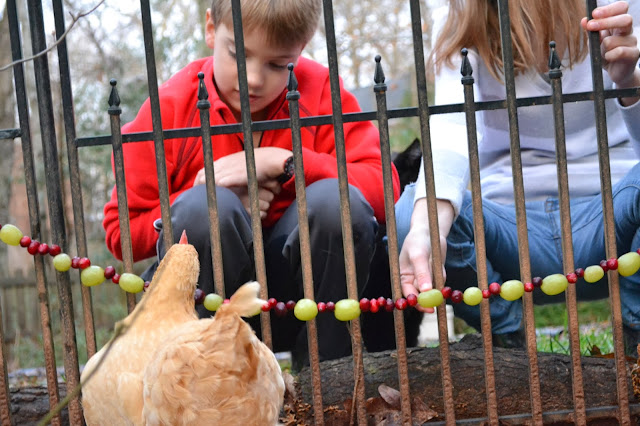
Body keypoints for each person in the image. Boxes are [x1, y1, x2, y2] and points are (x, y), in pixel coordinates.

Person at [102, 0, 401, 369]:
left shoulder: (320, 90)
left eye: (278, 64)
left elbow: (383, 186)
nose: (254, 79)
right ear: (211, 28)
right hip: (208, 298)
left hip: (301, 301)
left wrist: (286, 161)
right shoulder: (172, 107)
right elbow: (120, 232)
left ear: (301, 48)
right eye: (238, 54)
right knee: (205, 208)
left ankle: (331, 378)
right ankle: (203, 377)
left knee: (334, 203)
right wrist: (201, 189)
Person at [396, 0, 640, 354]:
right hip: (509, 231)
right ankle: (510, 344)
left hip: (616, 214)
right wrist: (424, 229)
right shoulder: (463, 11)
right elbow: (451, 131)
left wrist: (629, 82)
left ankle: (635, 337)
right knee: (412, 215)